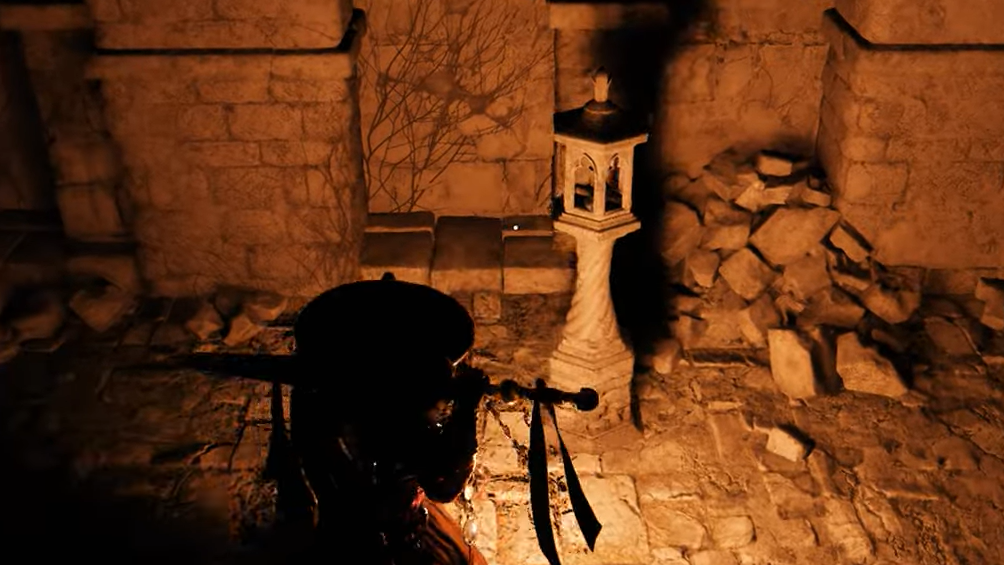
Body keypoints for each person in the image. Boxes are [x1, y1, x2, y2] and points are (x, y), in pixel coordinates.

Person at [281, 278, 489, 565]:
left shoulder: (319, 392)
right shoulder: (378, 417)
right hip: (375, 547)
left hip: (350, 534)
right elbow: (444, 484)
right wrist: (466, 408)